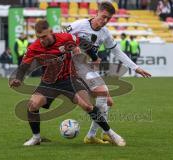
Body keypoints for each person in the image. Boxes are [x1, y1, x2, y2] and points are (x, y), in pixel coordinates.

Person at [9, 20, 126, 147]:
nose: (41, 40)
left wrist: (94, 57)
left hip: (69, 79)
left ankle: (111, 134)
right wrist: (18, 79)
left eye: (44, 36)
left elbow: (83, 42)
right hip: (49, 82)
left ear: (50, 32)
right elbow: (23, 66)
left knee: (88, 106)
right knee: (33, 105)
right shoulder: (34, 47)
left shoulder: (66, 38)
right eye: (39, 37)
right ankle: (36, 137)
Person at [65, 1, 151, 145]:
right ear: (97, 12)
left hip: (88, 70)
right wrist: (72, 46)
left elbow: (117, 52)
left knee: (108, 102)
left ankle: (95, 135)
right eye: (103, 16)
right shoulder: (78, 25)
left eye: (108, 19)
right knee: (103, 94)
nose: (104, 21)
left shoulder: (105, 33)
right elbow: (59, 38)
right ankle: (101, 134)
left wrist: (136, 67)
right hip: (73, 68)